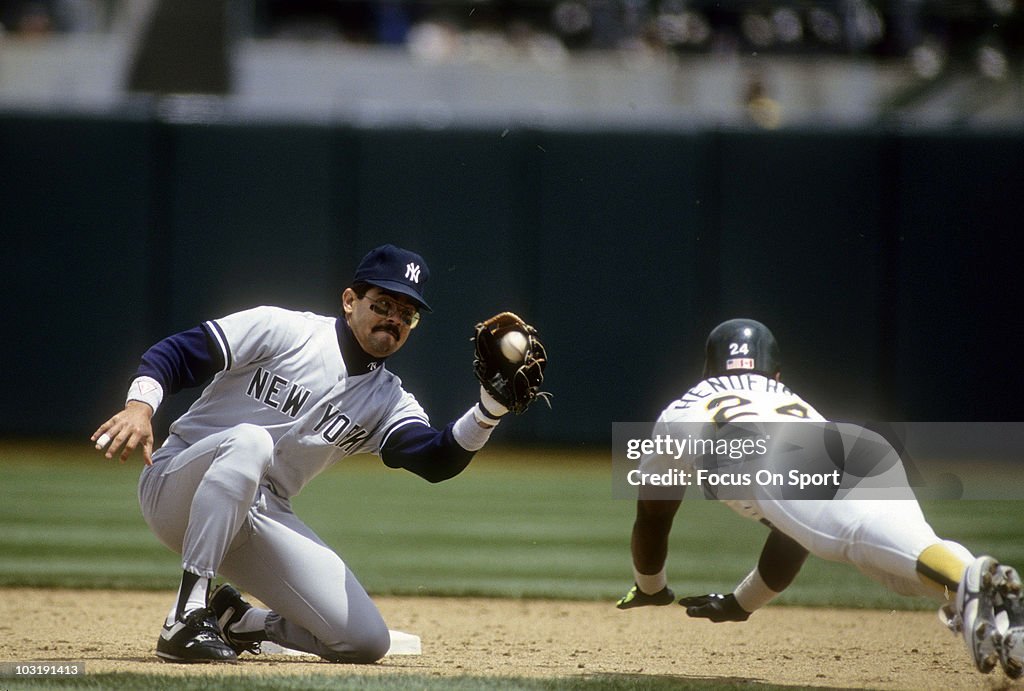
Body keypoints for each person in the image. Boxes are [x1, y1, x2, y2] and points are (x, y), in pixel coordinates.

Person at [91, 244, 543, 664]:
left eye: (407, 314)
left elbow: (436, 459)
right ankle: (185, 616)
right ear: (350, 301)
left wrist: (489, 409)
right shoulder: (283, 329)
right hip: (179, 486)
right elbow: (176, 353)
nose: (394, 319)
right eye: (382, 305)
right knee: (251, 440)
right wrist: (139, 407)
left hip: (258, 517)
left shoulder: (388, 400)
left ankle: (241, 622)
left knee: (365, 641)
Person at [616, 318, 1023, 680]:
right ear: (775, 372)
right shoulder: (786, 397)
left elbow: (653, 516)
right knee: (901, 566)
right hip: (857, 442)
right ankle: (1000, 617)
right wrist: (742, 603)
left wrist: (651, 587)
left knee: (870, 540)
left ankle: (969, 584)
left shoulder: (679, 410)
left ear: (707, 369)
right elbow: (797, 533)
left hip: (768, 454)